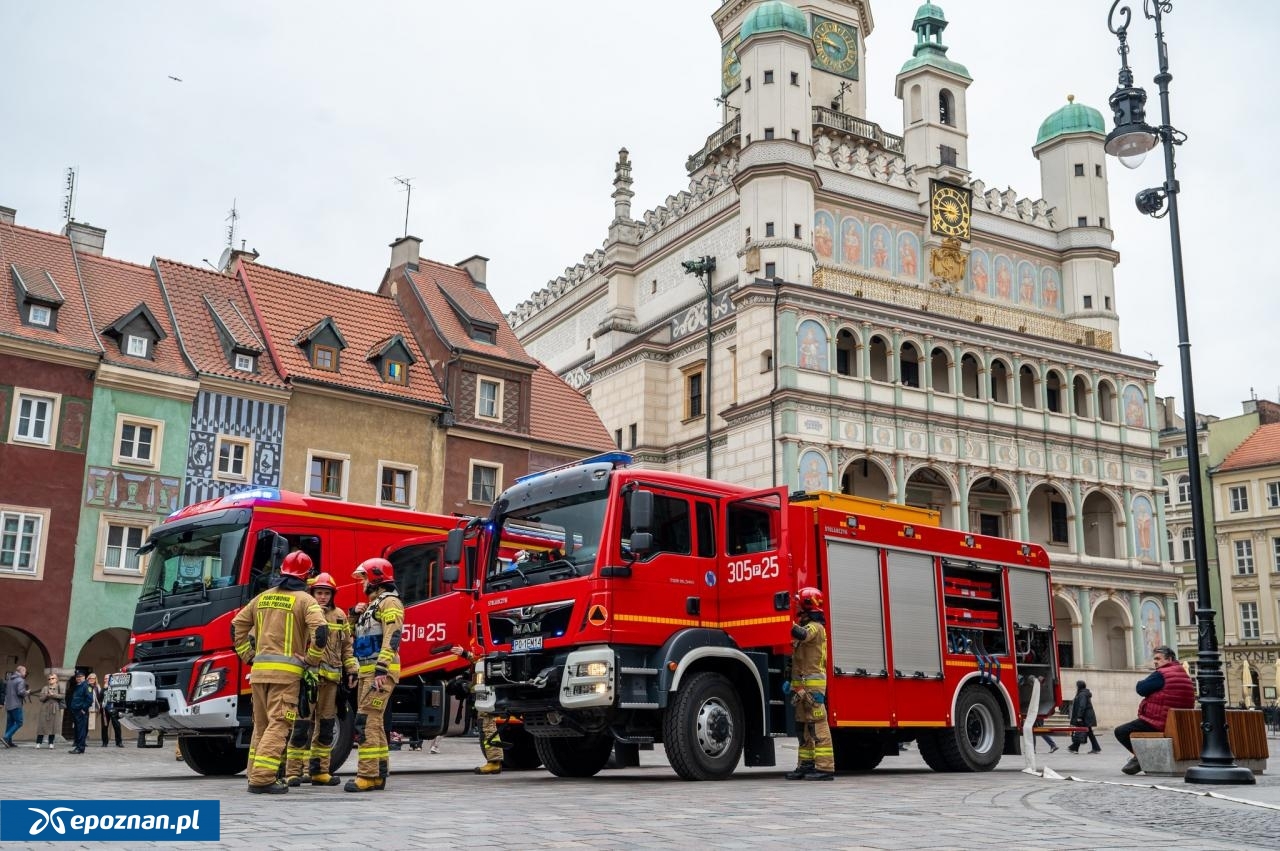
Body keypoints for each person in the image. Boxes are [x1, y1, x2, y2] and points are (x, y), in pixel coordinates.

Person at [231, 550, 329, 794]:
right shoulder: (306, 601)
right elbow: (321, 632)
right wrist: (311, 660)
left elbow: (236, 626)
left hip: (259, 672)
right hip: (286, 676)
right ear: (306, 576)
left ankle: (254, 774)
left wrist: (247, 655)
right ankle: (263, 779)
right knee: (280, 724)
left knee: (261, 726)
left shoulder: (262, 598)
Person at [285, 572, 358, 787]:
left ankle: (318, 771)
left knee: (326, 726)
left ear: (332, 595)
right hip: (308, 679)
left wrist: (352, 670)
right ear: (312, 593)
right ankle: (292, 772)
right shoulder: (303, 612)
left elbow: (347, 647)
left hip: (331, 680)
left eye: (326, 593)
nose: (323, 597)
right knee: (300, 726)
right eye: (319, 592)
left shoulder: (340, 616)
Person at [346, 557, 404, 792]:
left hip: (379, 673)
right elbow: (352, 636)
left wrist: (381, 669)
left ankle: (367, 775)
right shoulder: (373, 606)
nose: (362, 584)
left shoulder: (389, 602)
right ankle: (379, 773)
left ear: (375, 579)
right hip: (367, 672)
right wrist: (353, 614)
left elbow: (394, 636)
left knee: (366, 721)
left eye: (364, 579)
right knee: (375, 722)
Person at [1115, 645, 1195, 775]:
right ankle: (1139, 759)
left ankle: (1141, 759)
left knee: (1121, 731)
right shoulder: (1182, 673)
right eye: (1154, 659)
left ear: (1169, 659)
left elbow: (1141, 689)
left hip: (1159, 722)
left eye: (1158, 658)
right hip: (1178, 722)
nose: (1155, 661)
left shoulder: (1162, 674)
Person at [784, 587, 835, 781]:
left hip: (813, 687)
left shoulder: (815, 627)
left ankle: (825, 768)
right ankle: (806, 765)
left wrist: (781, 619)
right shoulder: (804, 625)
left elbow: (802, 635)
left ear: (808, 605)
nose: (796, 605)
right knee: (802, 727)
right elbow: (796, 659)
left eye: (799, 602)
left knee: (817, 725)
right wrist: (789, 681)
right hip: (800, 687)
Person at [451, 644, 503, 775]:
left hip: (488, 694)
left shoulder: (491, 655)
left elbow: (479, 660)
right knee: (485, 726)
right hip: (484, 695)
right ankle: (493, 761)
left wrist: (465, 654)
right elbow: (478, 660)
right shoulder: (488, 656)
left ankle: (494, 762)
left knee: (488, 726)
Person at [1067, 679, 1101, 754]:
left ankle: (1074, 748)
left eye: (1076, 686)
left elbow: (1082, 706)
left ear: (1079, 686)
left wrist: (1079, 717)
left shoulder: (1082, 694)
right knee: (1088, 732)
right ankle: (1095, 748)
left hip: (1085, 717)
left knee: (1081, 731)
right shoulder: (1083, 693)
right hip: (1086, 717)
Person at [3, 664, 30, 747]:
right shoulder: (21, 680)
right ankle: (6, 737)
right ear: (21, 671)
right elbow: (20, 692)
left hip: (8, 704)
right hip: (16, 705)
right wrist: (27, 692)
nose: (25, 674)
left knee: (10, 723)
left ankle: (8, 742)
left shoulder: (10, 680)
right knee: (19, 722)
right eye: (25, 672)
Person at [35, 673, 64, 748]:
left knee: (53, 726)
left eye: (53, 678)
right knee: (41, 726)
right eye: (49, 679)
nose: (51, 680)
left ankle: (51, 743)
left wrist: (53, 695)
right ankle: (38, 742)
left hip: (55, 707)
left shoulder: (59, 687)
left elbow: (62, 696)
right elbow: (41, 698)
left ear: (56, 679)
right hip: (45, 707)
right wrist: (47, 695)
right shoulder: (45, 688)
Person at [67, 670, 92, 754]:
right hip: (75, 711)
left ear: (84, 677)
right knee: (77, 730)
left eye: (80, 677)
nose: (78, 678)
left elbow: (89, 700)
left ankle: (80, 747)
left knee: (81, 730)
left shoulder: (86, 686)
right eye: (77, 677)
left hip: (81, 712)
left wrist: (83, 709)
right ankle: (78, 746)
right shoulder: (78, 686)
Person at [96, 673, 123, 747]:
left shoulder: (115, 687)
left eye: (107, 678)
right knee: (104, 727)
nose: (105, 680)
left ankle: (119, 742)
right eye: (105, 678)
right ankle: (104, 742)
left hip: (114, 709)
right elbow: (100, 698)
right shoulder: (103, 688)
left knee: (117, 726)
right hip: (105, 710)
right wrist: (105, 688)